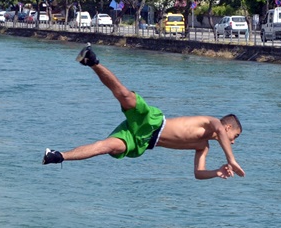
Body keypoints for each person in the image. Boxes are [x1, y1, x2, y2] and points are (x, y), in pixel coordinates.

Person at [42, 44, 245, 180]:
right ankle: (92, 61)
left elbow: (198, 173)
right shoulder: (211, 122)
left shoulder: (203, 146)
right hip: (153, 122)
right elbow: (218, 129)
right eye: (234, 136)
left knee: (107, 147)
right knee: (125, 96)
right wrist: (231, 159)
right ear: (228, 127)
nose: (233, 141)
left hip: (144, 141)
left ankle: (57, 156)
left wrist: (216, 172)